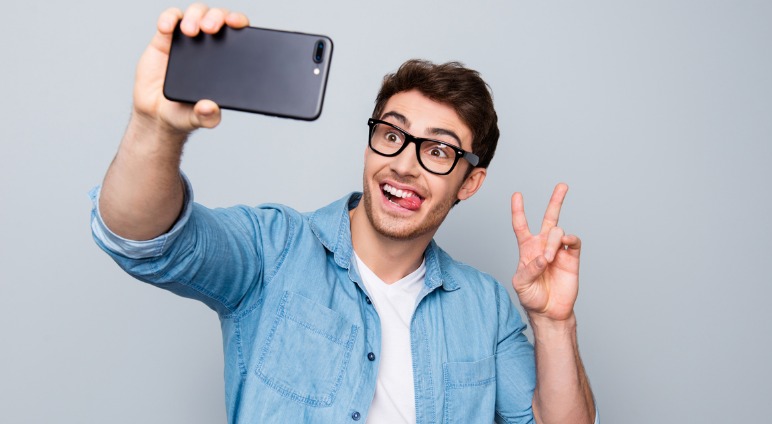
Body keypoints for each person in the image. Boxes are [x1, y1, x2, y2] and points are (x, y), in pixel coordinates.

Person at [90, 4, 597, 423]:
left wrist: (554, 324)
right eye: (392, 135)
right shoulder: (275, 248)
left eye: (438, 152)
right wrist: (155, 127)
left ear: (470, 182)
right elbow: (144, 239)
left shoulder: (485, 309)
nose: (403, 164)